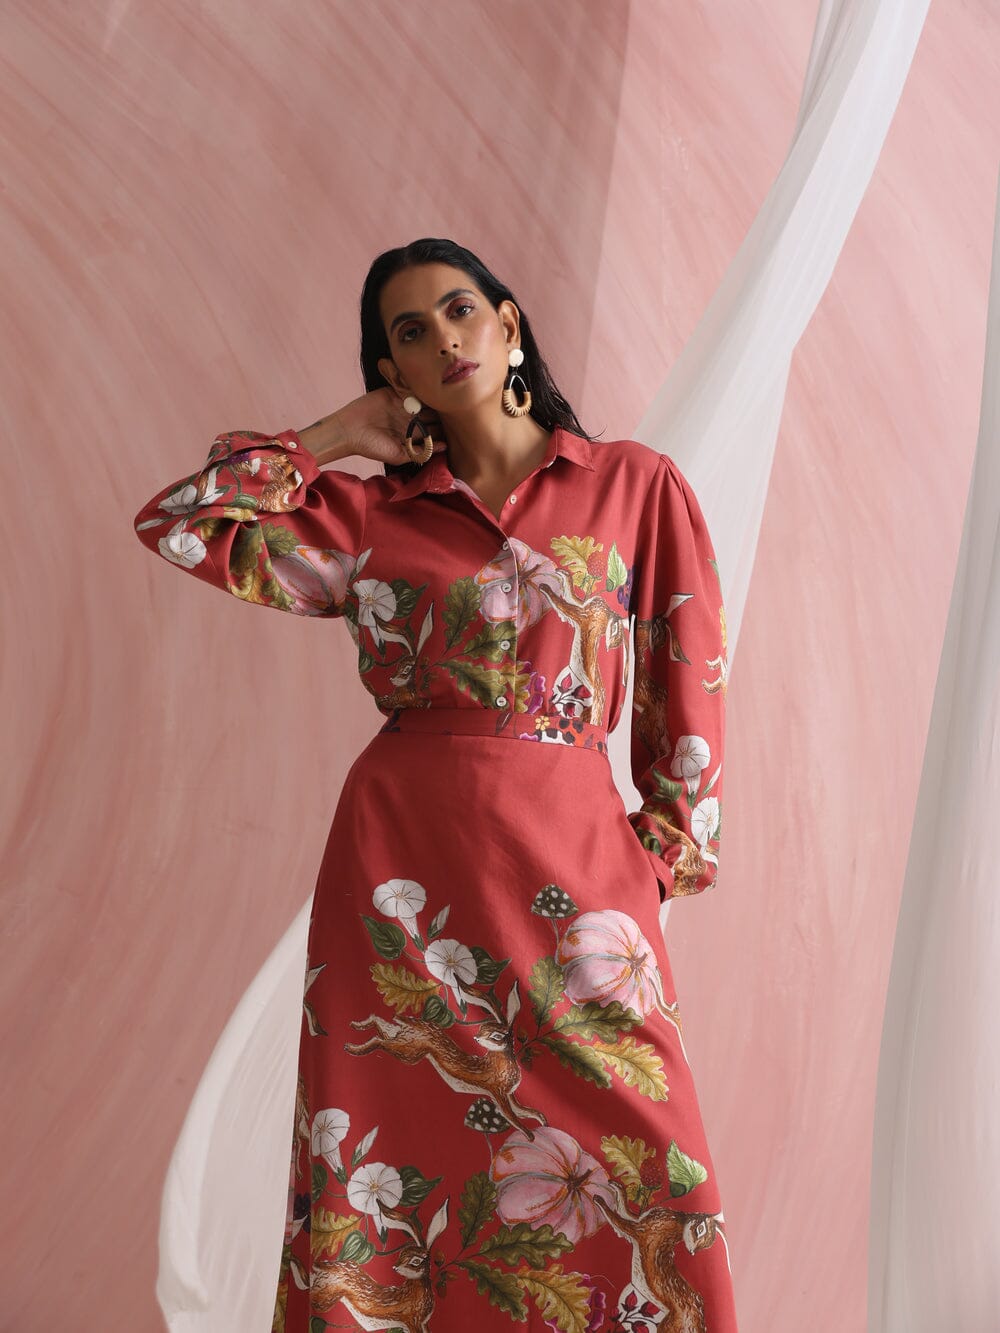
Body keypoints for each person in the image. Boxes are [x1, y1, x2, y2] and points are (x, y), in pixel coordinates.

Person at [133, 237, 737, 1333]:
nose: (444, 339)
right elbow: (179, 525)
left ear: (508, 325)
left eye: (460, 311)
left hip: (576, 872)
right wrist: (334, 437)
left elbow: (686, 675)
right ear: (393, 371)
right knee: (397, 1166)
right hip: (400, 879)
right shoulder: (370, 518)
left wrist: (656, 862)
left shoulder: (633, 486)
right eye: (410, 332)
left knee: (655, 1174)